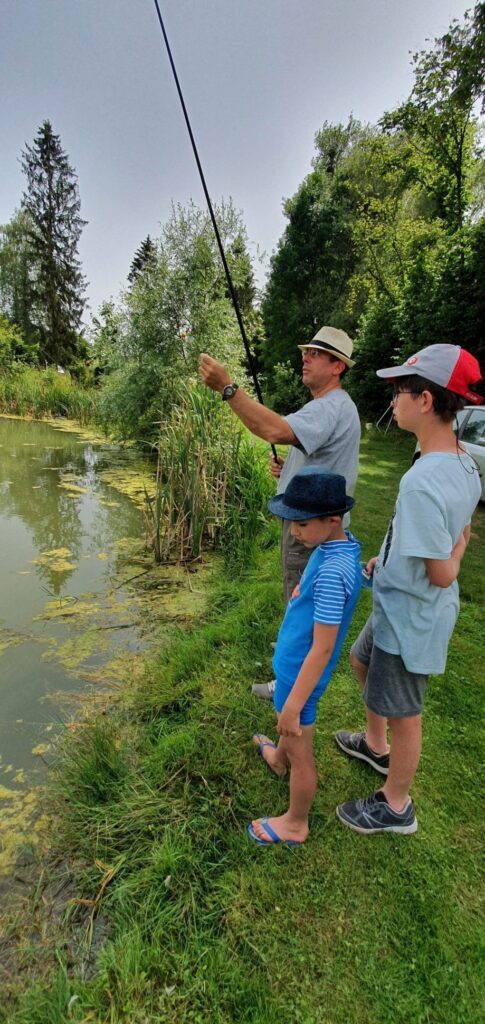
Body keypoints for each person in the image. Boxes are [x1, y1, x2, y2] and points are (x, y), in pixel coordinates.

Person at [335, 343, 482, 835]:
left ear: (425, 400)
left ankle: (397, 805)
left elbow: (442, 571)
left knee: (405, 713)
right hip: (396, 602)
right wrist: (389, 557)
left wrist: (457, 552)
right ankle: (375, 747)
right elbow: (434, 528)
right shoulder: (461, 462)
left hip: (414, 615)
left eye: (399, 390)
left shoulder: (423, 481)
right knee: (360, 660)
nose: (393, 399)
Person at [199, 326, 361, 698]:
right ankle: (293, 644)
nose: (305, 357)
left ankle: (287, 685)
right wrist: (291, 468)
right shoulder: (334, 406)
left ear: (337, 366)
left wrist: (228, 387)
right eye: (306, 351)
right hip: (317, 523)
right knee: (300, 598)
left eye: (316, 353)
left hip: (312, 529)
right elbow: (321, 459)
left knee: (304, 605)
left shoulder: (329, 406)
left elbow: (272, 429)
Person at [246, 467, 362, 846]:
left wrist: (293, 706)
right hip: (293, 671)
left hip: (300, 677)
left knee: (301, 751)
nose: (293, 531)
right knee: (289, 741)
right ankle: (279, 760)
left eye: (301, 523)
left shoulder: (331, 573)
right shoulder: (339, 548)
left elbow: (323, 648)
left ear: (333, 520)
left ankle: (296, 823)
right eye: (290, 521)